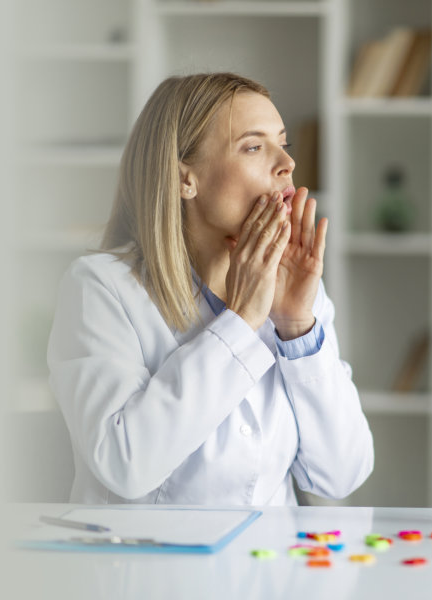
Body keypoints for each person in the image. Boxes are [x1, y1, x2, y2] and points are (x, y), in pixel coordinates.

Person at [48, 72, 373, 505]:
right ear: (186, 179)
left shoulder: (295, 294)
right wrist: (240, 322)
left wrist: (298, 327)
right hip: (146, 570)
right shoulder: (100, 288)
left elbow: (343, 474)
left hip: (271, 570)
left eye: (284, 143)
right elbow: (124, 465)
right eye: (254, 146)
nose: (287, 164)